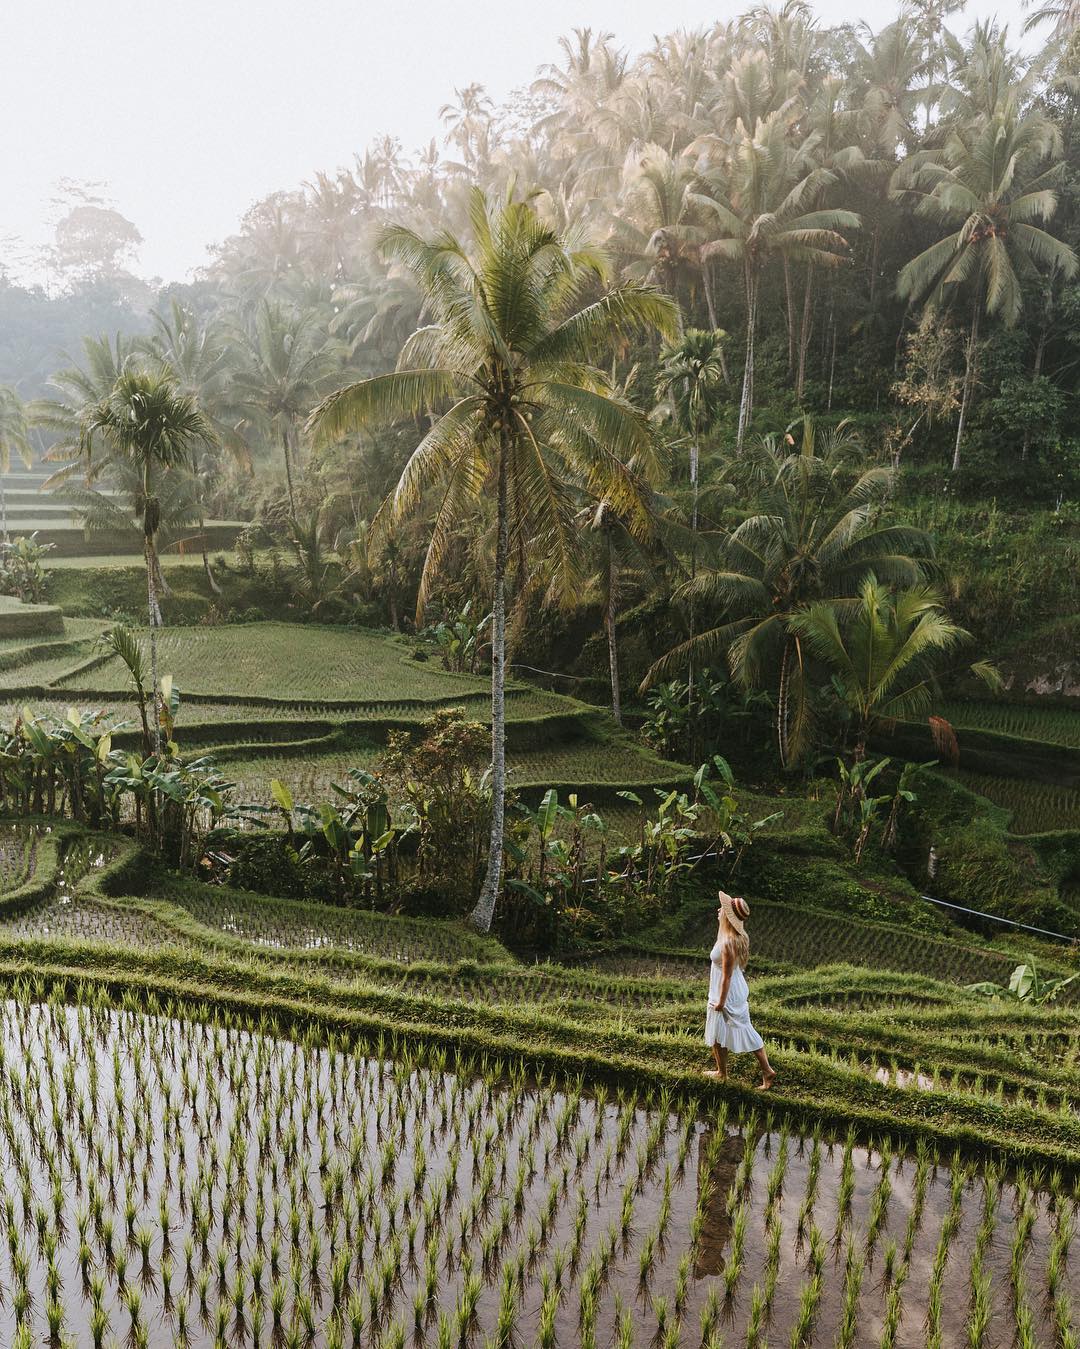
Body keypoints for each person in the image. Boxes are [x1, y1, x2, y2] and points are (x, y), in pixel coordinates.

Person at [705, 891, 776, 1089]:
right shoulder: (730, 936)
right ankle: (722, 1072)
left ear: (728, 916)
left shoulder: (728, 942)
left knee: (743, 1029)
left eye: (723, 909)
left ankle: (767, 1071)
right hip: (729, 988)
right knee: (718, 1029)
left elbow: (726, 976)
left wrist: (720, 1002)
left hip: (727, 992)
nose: (719, 910)